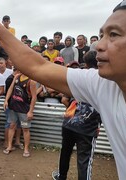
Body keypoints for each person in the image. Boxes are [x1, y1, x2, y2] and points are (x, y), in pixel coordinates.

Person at [0, 2, 126, 179]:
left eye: (114, 34)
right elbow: (37, 66)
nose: (99, 45)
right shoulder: (103, 84)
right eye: (101, 35)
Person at [52, 51, 101, 180]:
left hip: (69, 122)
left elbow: (64, 99)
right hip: (88, 126)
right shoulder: (105, 79)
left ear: (86, 63)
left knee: (65, 151)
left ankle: (61, 176)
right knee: (84, 159)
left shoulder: (78, 76)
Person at [3, 72, 37, 157]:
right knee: (12, 126)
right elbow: (11, 89)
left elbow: (34, 97)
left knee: (25, 128)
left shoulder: (31, 81)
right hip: (13, 107)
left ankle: (26, 149)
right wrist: (6, 100)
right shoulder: (17, 77)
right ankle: (9, 146)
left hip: (24, 109)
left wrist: (31, 111)